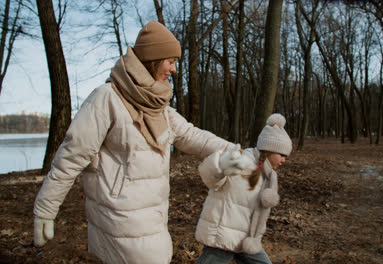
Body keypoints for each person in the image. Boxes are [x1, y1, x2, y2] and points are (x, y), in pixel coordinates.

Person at [33, 20, 243, 264]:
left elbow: (190, 135)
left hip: (153, 216)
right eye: (171, 61)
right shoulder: (107, 98)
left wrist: (237, 151)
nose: (174, 69)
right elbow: (72, 155)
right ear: (153, 59)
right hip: (119, 216)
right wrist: (46, 208)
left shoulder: (157, 104)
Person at [194, 113, 293, 264]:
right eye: (282, 154)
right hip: (223, 237)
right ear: (269, 149)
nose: (284, 160)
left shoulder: (268, 175)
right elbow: (210, 177)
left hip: (245, 239)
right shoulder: (243, 161)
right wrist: (221, 164)